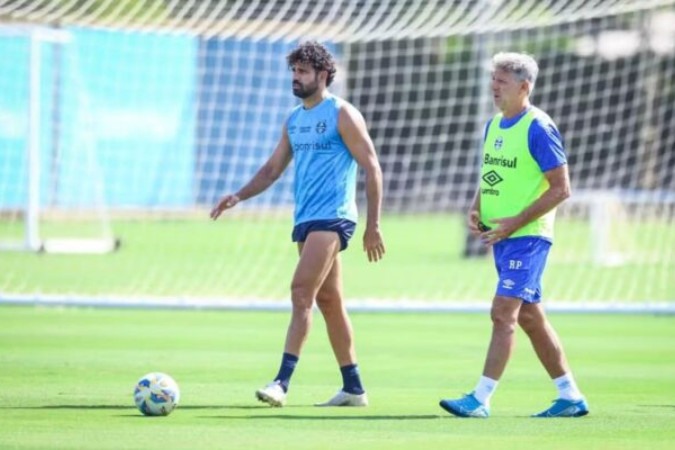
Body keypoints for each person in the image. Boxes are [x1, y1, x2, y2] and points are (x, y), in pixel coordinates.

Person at [210, 41, 385, 407]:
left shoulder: (342, 114)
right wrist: (239, 196)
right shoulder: (294, 119)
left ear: (323, 75)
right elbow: (272, 169)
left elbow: (372, 167)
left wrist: (373, 225)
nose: (296, 78)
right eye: (294, 71)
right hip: (305, 219)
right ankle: (353, 387)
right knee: (329, 301)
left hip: (334, 217)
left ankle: (281, 383)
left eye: (303, 72)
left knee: (300, 291)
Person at [439, 52, 589, 418]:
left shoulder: (538, 127)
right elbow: (490, 175)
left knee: (502, 312)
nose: (494, 87)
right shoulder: (494, 125)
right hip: (503, 238)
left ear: (524, 87)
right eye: (493, 79)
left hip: (530, 237)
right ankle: (570, 396)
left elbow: (561, 188)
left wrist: (515, 221)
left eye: (502, 82)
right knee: (530, 318)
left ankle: (480, 399)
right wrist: (476, 209)